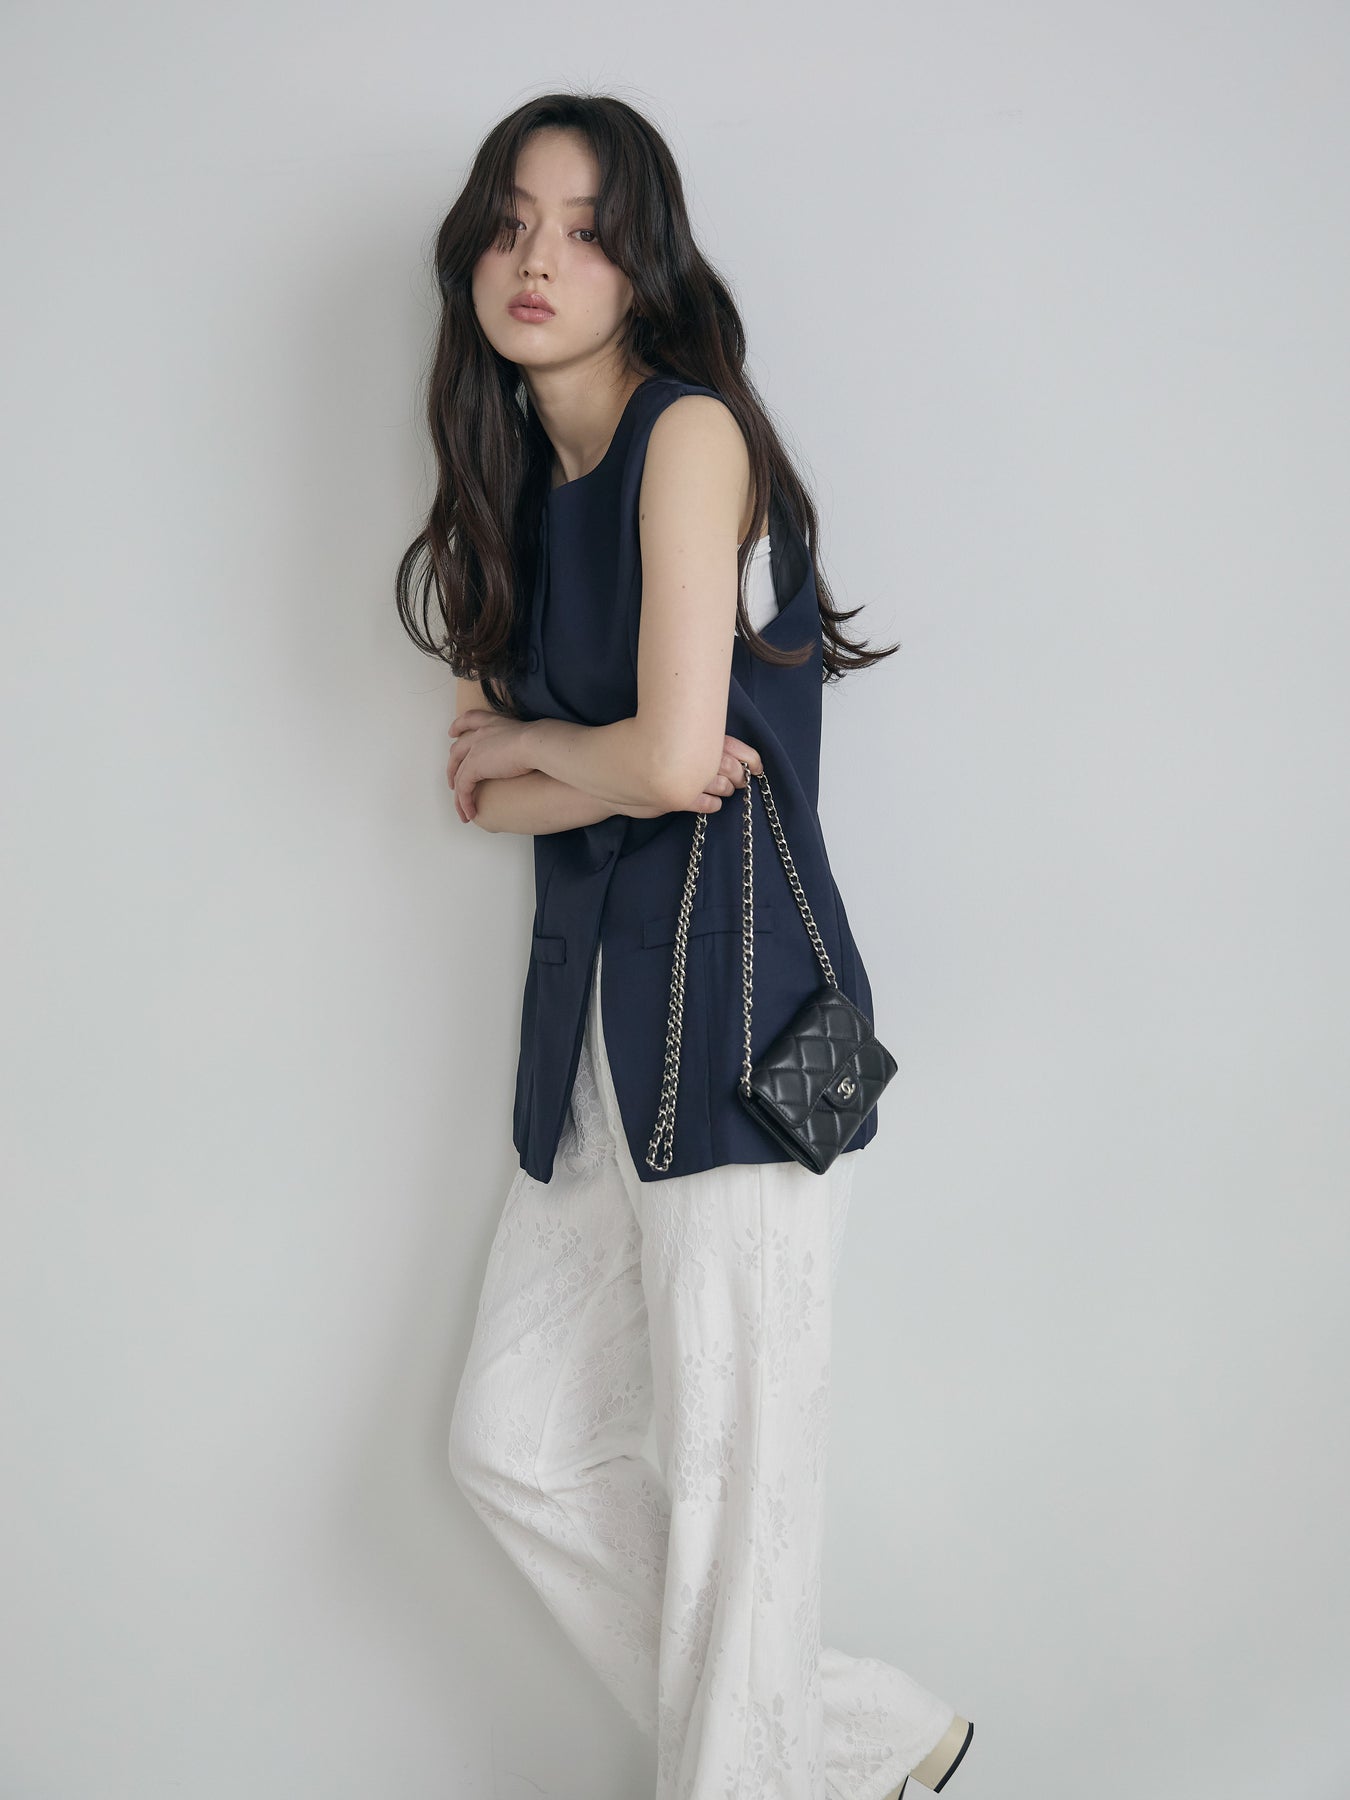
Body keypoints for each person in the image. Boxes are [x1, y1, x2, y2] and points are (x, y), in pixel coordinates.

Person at [395, 91, 976, 1800]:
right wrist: (594, 759)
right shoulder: (508, 482)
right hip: (594, 1039)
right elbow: (486, 794)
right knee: (511, 1446)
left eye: (583, 231)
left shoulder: (690, 435)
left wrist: (559, 749)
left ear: (642, 265)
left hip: (750, 1026)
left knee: (736, 1498)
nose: (537, 259)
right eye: (511, 223)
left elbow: (645, 765)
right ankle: (864, 1738)